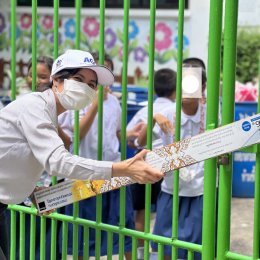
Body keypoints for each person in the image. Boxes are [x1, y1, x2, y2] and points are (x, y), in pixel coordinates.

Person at [0, 49, 164, 260]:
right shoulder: (34, 106)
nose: (86, 88)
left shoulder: (49, 114)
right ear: (56, 81)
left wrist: (30, 190)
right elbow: (58, 161)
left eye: (92, 85)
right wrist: (123, 169)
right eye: (78, 79)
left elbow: (14, 154)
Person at [139, 57, 206, 260]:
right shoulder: (167, 112)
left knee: (197, 249)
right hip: (171, 189)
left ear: (203, 87)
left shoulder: (210, 113)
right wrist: (153, 117)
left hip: (201, 190)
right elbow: (140, 142)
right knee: (166, 247)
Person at [126, 68, 176, 259]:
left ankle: (140, 253)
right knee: (166, 211)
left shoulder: (145, 109)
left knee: (142, 211)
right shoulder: (175, 110)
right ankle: (161, 251)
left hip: (144, 164)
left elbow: (131, 138)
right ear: (175, 90)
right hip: (166, 167)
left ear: (155, 89)